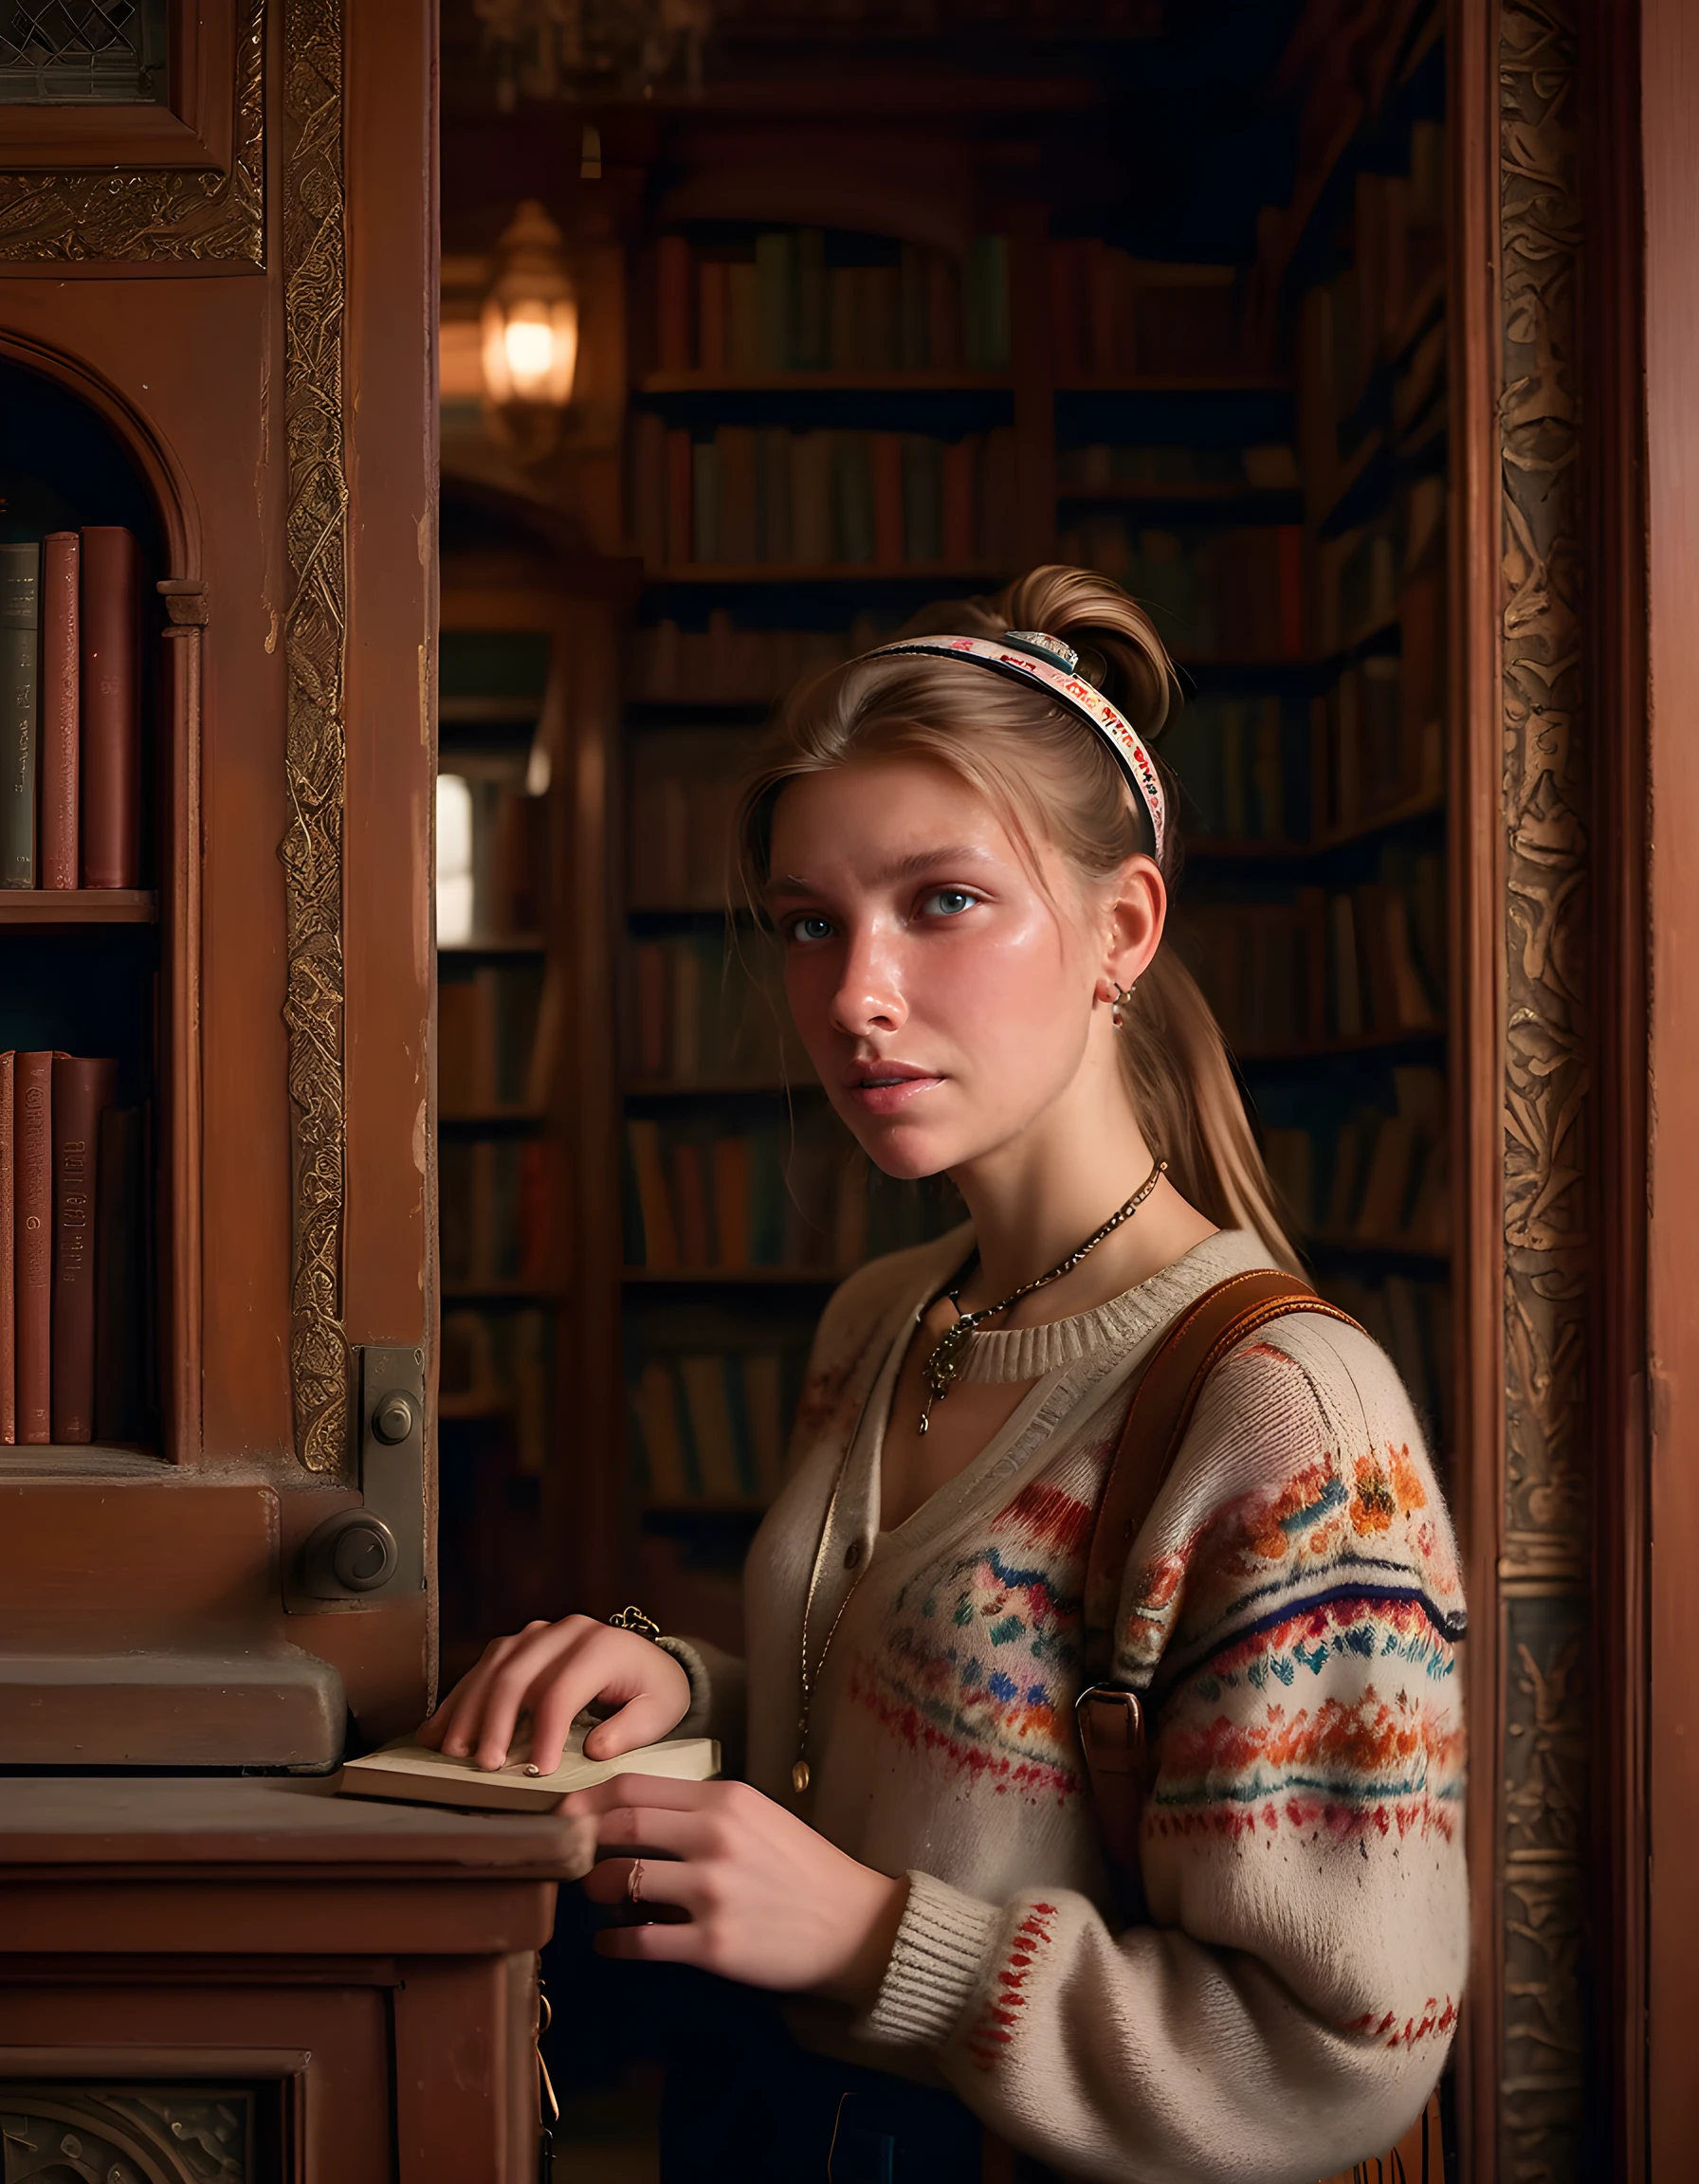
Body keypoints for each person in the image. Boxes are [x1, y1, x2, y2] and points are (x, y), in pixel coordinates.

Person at [420, 565, 1468, 2182]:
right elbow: (978, 1756)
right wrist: (699, 1696)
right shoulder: (886, 1319)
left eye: (942, 901)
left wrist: (873, 1943)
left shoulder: (1286, 1418)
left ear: (1123, 927)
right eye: (808, 923)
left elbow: (1339, 2054)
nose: (854, 996)